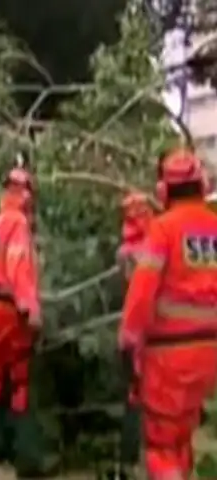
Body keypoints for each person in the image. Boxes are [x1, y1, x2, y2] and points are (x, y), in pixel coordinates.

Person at [119, 148, 217, 480]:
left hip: (168, 357)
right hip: (208, 355)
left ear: (163, 191)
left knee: (161, 444)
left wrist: (128, 342)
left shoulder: (163, 230)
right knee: (183, 438)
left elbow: (141, 293)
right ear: (202, 185)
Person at [0, 166, 57, 477]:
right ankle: (27, 459)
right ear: (25, 192)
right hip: (12, 311)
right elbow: (19, 268)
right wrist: (31, 309)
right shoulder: (18, 225)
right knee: (20, 379)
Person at [116, 191, 154, 475]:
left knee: (133, 391)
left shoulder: (124, 251)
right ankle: (141, 453)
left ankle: (128, 454)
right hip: (149, 329)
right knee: (148, 392)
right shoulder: (150, 249)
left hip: (129, 328)